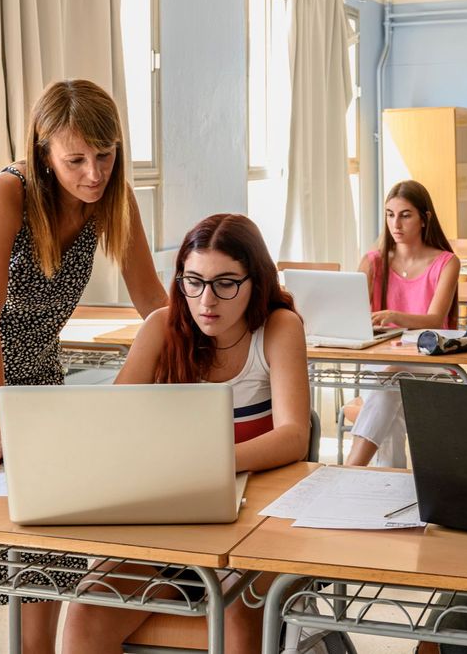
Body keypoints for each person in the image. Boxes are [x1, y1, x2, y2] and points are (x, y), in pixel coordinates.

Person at [0, 79, 166, 654]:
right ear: (44, 152)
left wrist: (221, 350)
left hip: (37, 370)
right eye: (76, 160)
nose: (94, 173)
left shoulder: (112, 198)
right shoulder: (7, 193)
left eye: (105, 155)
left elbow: (154, 306)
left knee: (44, 530)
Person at [62, 213, 309, 654]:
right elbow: (108, 421)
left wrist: (207, 464)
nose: (206, 300)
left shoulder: (277, 327)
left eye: (225, 283)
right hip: (175, 523)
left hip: (257, 524)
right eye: (192, 282)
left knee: (235, 612)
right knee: (86, 610)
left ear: (257, 280)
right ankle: (177, 589)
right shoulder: (161, 326)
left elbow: (293, 435)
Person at [344, 180, 461, 467]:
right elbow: (353, 313)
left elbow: (435, 319)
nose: (396, 223)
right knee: (390, 394)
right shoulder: (372, 261)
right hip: (382, 357)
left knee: (389, 381)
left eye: (405, 215)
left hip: (431, 359)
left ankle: (351, 469)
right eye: (389, 214)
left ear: (425, 218)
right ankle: (387, 488)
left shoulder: (446, 262)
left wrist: (395, 315)